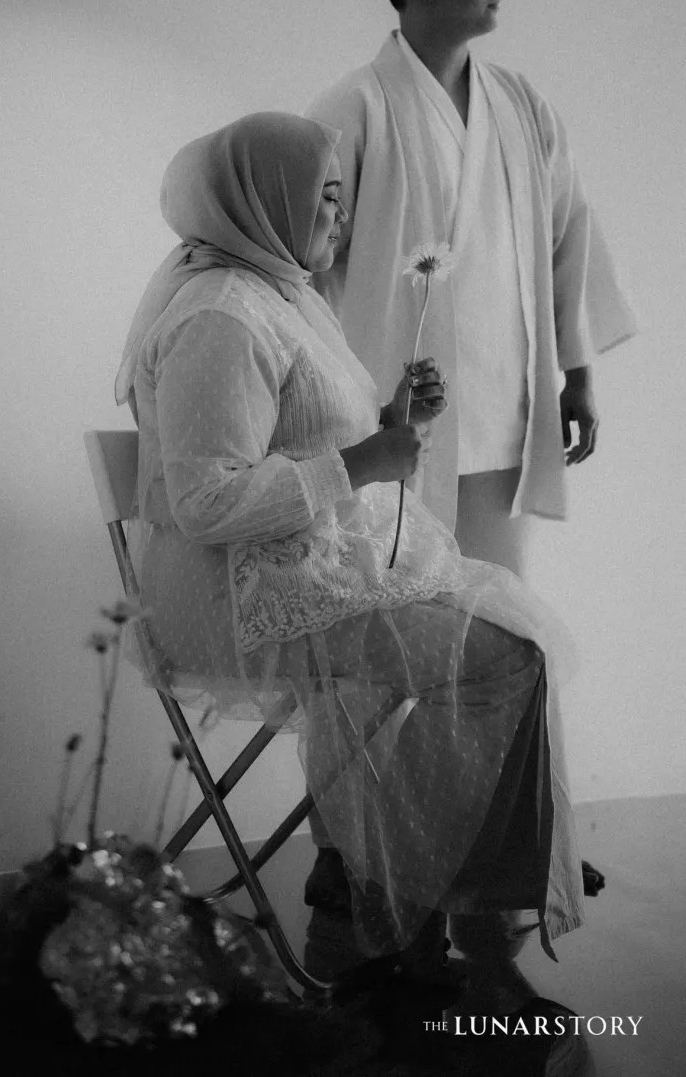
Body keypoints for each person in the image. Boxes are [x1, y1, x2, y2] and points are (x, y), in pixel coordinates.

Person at [115, 112, 584, 1015]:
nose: (341, 213)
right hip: (235, 595)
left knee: (510, 642)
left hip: (306, 572)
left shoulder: (279, 292)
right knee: (506, 659)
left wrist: (392, 422)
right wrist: (363, 463)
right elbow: (206, 502)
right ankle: (431, 901)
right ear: (264, 202)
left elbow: (296, 437)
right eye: (324, 196)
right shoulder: (219, 314)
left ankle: (389, 886)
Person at [305, 0, 637, 577]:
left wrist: (577, 373)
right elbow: (307, 256)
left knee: (500, 610)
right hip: (393, 410)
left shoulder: (521, 104)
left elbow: (569, 235)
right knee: (394, 601)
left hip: (506, 409)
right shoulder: (355, 106)